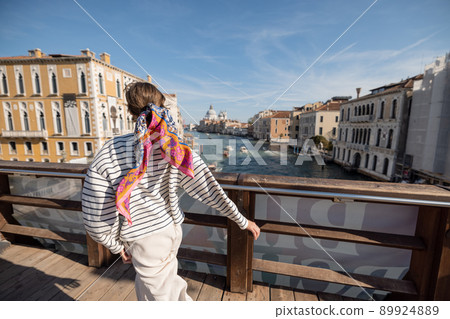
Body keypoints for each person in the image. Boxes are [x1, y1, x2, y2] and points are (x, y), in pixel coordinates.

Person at [81, 81, 260, 301]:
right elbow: (209, 190)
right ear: (162, 107)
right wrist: (242, 220)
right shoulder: (177, 148)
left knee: (167, 299)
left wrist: (113, 244)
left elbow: (95, 214)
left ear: (130, 112)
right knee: (151, 292)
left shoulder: (109, 152)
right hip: (170, 231)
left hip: (144, 238)